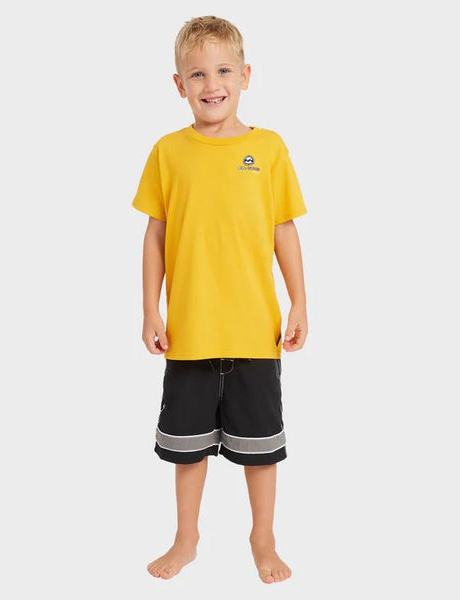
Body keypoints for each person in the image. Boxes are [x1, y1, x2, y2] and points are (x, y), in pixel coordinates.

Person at [131, 15, 308, 584]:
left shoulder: (269, 148)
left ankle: (263, 538)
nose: (213, 84)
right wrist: (151, 310)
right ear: (179, 84)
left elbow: (284, 228)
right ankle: (186, 539)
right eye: (198, 74)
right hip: (189, 333)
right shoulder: (168, 152)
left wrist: (300, 302)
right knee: (187, 449)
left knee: (261, 449)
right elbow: (155, 235)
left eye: (224, 71)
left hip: (255, 331)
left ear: (246, 75)